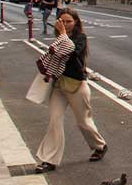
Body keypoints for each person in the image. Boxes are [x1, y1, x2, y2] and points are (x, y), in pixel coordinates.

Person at [33, 9, 107, 173]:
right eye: (62, 21)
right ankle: (49, 160)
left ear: (76, 23)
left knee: (83, 122)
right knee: (54, 120)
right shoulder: (60, 38)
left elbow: (70, 51)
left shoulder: (80, 38)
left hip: (76, 86)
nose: (65, 24)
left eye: (69, 21)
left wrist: (62, 34)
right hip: (59, 86)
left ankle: (99, 146)